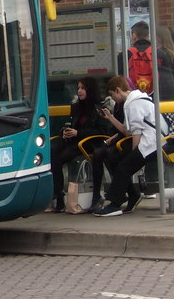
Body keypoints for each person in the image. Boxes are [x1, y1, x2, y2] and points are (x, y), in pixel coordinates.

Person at [93, 75, 161, 217]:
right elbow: (126, 130)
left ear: (118, 90)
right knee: (114, 160)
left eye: (112, 95)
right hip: (153, 142)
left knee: (124, 166)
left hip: (150, 144)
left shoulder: (133, 104)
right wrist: (110, 118)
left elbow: (135, 133)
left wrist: (133, 156)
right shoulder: (136, 100)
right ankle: (132, 195)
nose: (112, 99)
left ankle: (115, 204)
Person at [48, 77, 106, 213]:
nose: (79, 91)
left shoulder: (99, 108)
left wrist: (78, 133)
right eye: (78, 88)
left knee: (62, 156)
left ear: (90, 90)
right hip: (74, 141)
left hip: (89, 142)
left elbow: (102, 130)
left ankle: (93, 197)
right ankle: (59, 195)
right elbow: (71, 124)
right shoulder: (76, 107)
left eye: (83, 88)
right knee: (53, 150)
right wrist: (65, 132)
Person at [126, 21, 153, 93]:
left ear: (134, 36)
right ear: (148, 35)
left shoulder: (125, 55)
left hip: (132, 97)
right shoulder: (158, 53)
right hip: (154, 97)